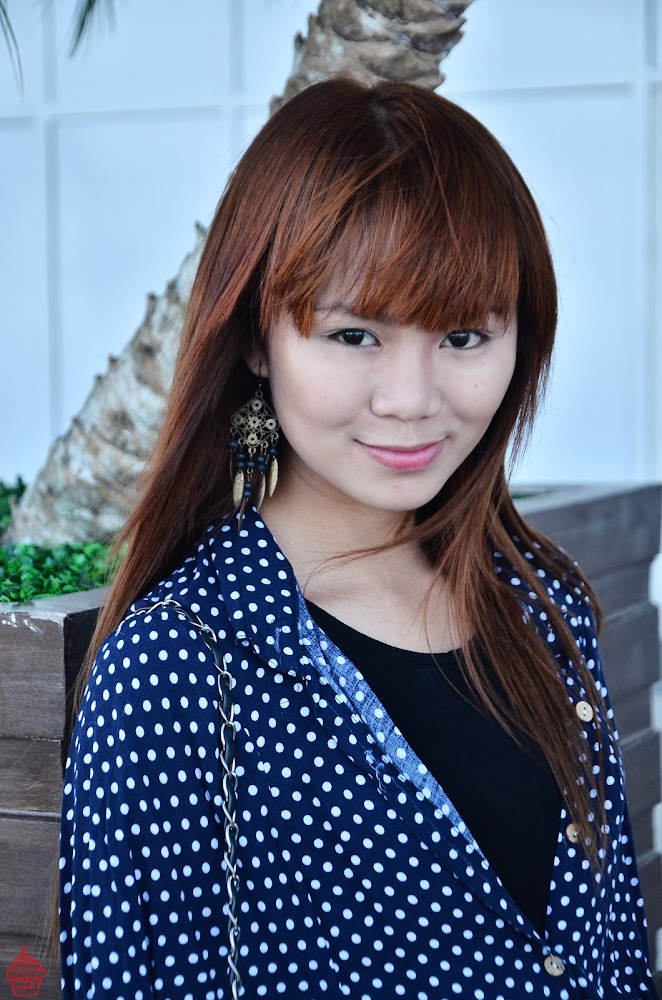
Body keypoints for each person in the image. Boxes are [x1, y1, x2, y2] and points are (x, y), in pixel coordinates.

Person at [58, 78, 657, 999]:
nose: (412, 399)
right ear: (256, 340)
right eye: (353, 336)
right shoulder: (180, 664)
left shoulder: (541, 601)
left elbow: (611, 953)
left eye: (464, 335)